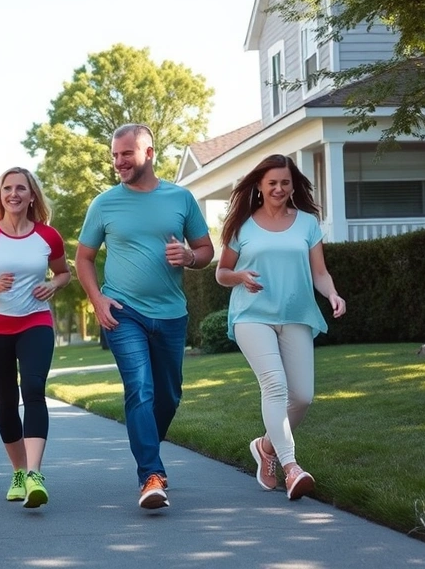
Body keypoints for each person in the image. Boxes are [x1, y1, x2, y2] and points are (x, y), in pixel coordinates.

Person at [75, 124, 215, 509]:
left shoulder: (180, 198)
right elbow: (83, 258)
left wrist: (189, 257)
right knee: (140, 387)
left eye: (126, 155)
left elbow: (206, 249)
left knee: (168, 396)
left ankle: (150, 453)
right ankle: (150, 475)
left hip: (171, 314)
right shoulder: (104, 204)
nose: (118, 162)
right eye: (114, 155)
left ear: (149, 154)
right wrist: (97, 300)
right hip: (123, 311)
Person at [215, 153, 346, 500]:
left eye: (284, 182)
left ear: (292, 185)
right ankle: (291, 468)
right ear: (259, 184)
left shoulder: (307, 223)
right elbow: (222, 273)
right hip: (252, 315)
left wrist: (332, 294)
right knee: (275, 386)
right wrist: (240, 276)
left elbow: (319, 272)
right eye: (272, 182)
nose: (278, 188)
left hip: (296, 314)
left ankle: (265, 447)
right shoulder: (242, 225)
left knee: (302, 396)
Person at [0, 167, 71, 508]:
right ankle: (19, 472)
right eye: (7, 188)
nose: (14, 193)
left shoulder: (48, 236)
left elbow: (64, 272)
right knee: (7, 402)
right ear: (0, 195)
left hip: (35, 322)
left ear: (31, 195)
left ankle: (36, 473)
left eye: (20, 188)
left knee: (34, 391)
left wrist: (53, 285)